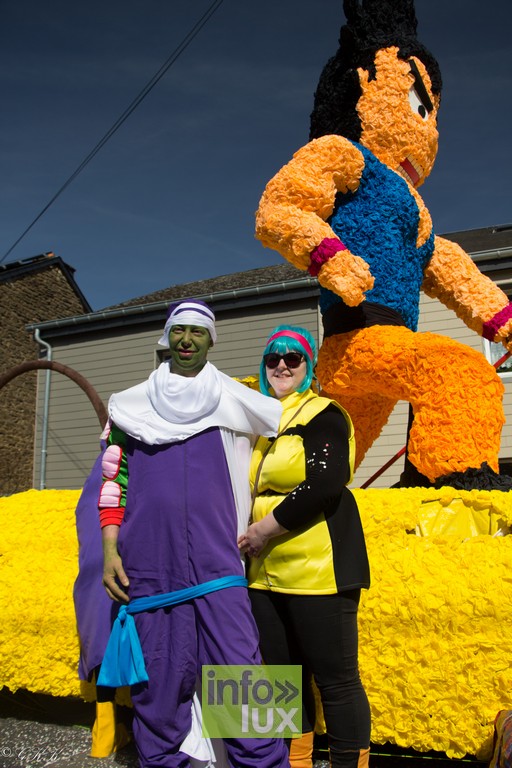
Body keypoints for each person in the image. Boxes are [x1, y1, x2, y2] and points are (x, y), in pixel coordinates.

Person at [97, 299, 289, 768]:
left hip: (219, 564)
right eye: (179, 331)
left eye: (197, 332)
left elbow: (286, 452)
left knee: (244, 677)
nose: (187, 340)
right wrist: (109, 551)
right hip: (149, 569)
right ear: (167, 337)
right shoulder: (130, 405)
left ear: (210, 340)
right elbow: (112, 482)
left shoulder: (236, 398)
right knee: (159, 686)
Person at [238, 325, 371, 768]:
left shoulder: (324, 413)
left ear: (307, 366)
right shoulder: (258, 421)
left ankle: (350, 763)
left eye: (293, 357)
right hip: (264, 575)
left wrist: (262, 531)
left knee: (336, 680)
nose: (282, 365)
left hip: (319, 570)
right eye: (273, 357)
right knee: (280, 678)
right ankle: (291, 762)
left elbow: (326, 484)